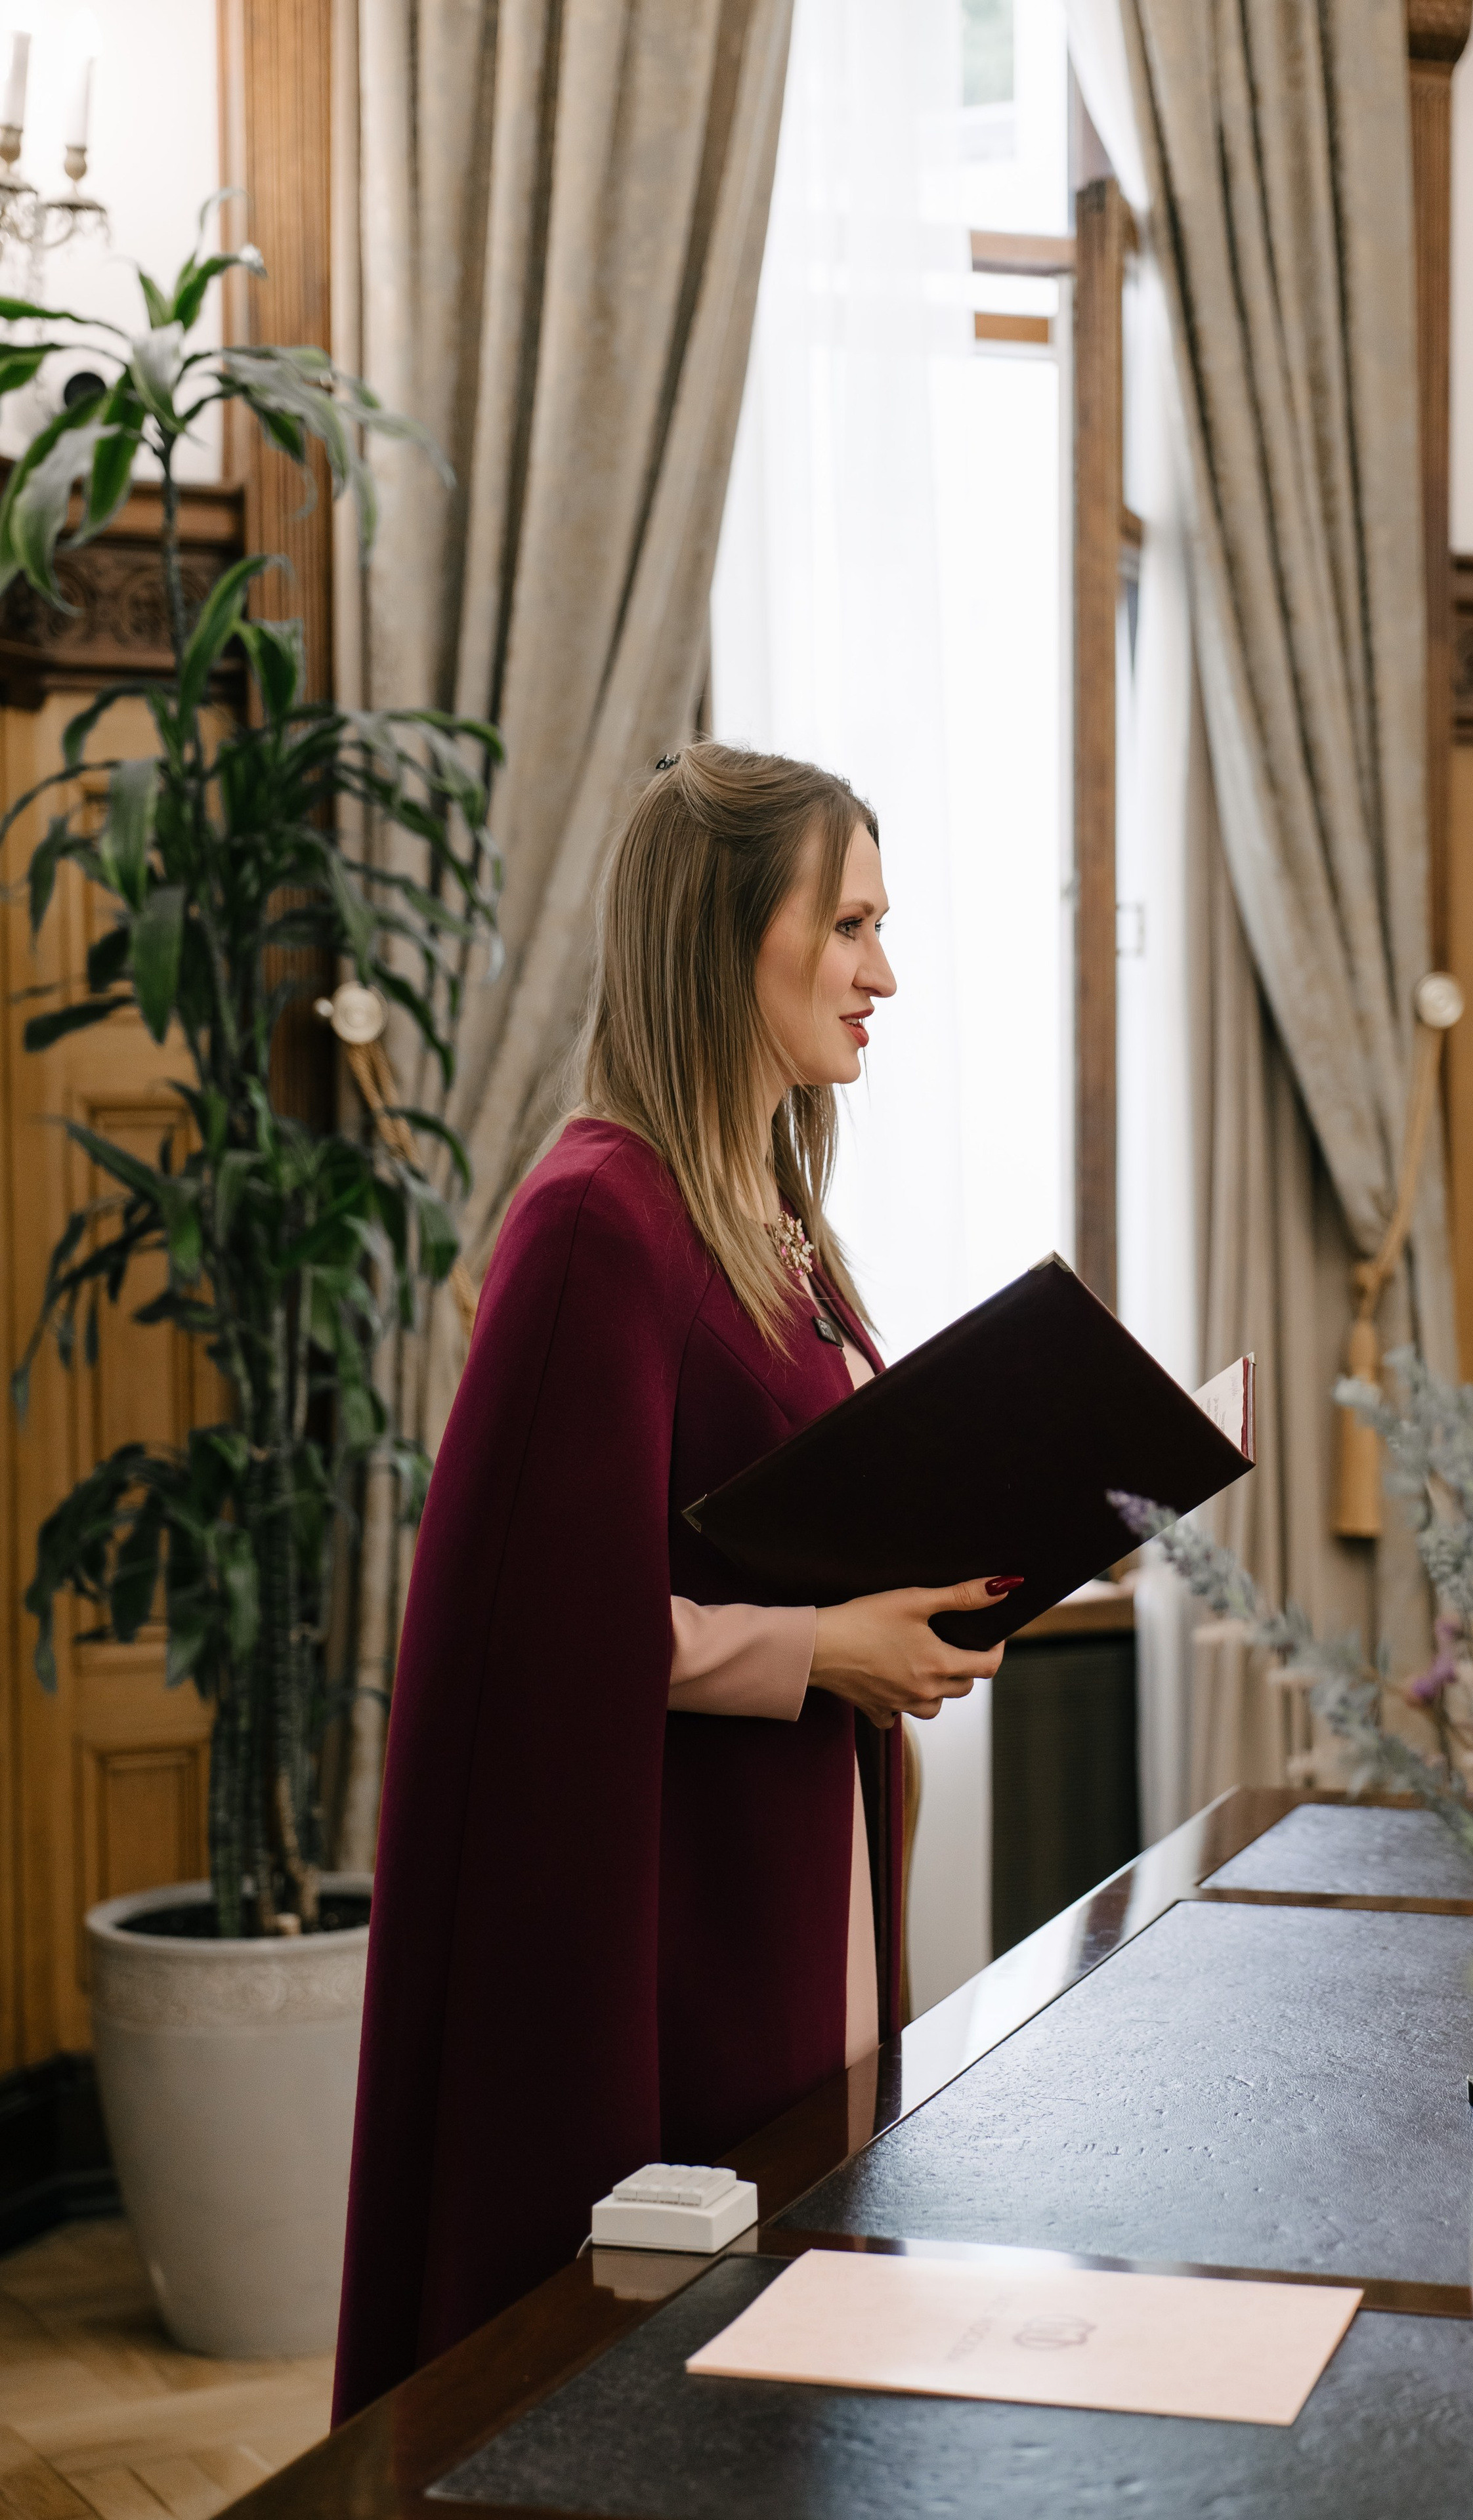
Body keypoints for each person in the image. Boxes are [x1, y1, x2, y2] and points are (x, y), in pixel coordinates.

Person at [331, 742, 1017, 2420]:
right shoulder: (595, 1218)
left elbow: (764, 1523)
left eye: (882, 924)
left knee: (779, 2370)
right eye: (846, 923)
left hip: (789, 1863)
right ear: (728, 940)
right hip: (668, 1924)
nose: (883, 970)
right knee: (661, 2381)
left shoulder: (766, 1210)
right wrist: (817, 1649)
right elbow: (530, 1629)